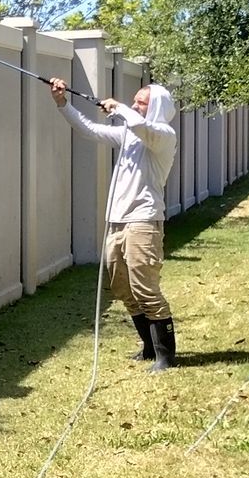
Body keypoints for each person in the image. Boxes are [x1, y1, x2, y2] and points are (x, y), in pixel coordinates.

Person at [50, 77, 179, 371]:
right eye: (133, 101)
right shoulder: (128, 135)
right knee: (122, 286)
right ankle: (148, 347)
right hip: (118, 223)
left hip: (143, 221)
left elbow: (141, 126)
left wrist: (120, 107)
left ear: (155, 107)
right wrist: (62, 103)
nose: (134, 105)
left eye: (140, 102)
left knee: (146, 289)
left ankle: (166, 357)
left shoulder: (163, 135)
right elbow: (90, 130)